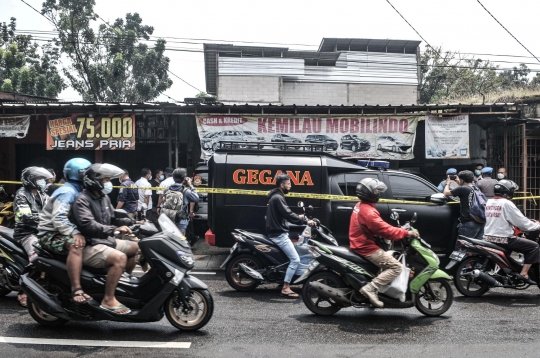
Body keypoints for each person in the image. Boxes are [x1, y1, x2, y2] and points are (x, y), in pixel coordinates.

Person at [71, 163, 139, 315]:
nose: (109, 183)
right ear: (94, 181)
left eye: (109, 180)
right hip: (90, 244)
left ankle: (121, 284)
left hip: (105, 241)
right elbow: (88, 225)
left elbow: (113, 218)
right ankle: (108, 299)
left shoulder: (104, 198)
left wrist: (134, 223)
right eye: (106, 180)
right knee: (120, 258)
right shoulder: (82, 200)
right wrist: (114, 229)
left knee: (136, 247)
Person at [350, 178, 418, 308]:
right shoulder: (369, 212)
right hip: (366, 247)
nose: (378, 194)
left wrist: (398, 229)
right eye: (376, 191)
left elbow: (379, 227)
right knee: (396, 267)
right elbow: (385, 230)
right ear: (368, 193)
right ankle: (370, 288)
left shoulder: (360, 205)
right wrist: (405, 233)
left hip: (359, 242)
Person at [38, 158, 93, 305]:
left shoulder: (79, 189)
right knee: (76, 245)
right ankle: (76, 287)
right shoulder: (67, 191)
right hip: (50, 234)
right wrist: (75, 232)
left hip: (62, 231)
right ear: (81, 174)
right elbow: (59, 218)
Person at [266, 173, 315, 298]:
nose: (290, 186)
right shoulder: (278, 198)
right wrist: (305, 221)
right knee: (295, 259)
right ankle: (286, 287)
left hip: (278, 232)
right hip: (279, 235)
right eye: (288, 184)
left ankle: (284, 278)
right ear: (282, 185)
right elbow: (287, 214)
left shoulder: (276, 196)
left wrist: (300, 216)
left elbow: (284, 214)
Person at [484, 180, 540, 284]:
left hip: (488, 236)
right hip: (504, 239)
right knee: (534, 247)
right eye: (512, 190)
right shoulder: (507, 203)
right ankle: (524, 273)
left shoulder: (489, 201)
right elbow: (522, 223)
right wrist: (537, 225)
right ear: (507, 191)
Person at [13, 166, 52, 307]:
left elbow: (53, 208)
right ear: (30, 180)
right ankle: (23, 291)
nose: (42, 182)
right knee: (36, 257)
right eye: (39, 179)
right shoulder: (21, 194)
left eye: (43, 179)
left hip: (43, 231)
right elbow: (24, 216)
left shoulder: (42, 194)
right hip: (26, 233)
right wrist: (47, 218)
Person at [443, 170, 485, 240]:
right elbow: (463, 191)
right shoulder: (475, 188)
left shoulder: (462, 188)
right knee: (477, 247)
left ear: (462, 180)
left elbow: (446, 193)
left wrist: (447, 183)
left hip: (469, 223)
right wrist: (459, 183)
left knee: (461, 247)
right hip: (479, 221)